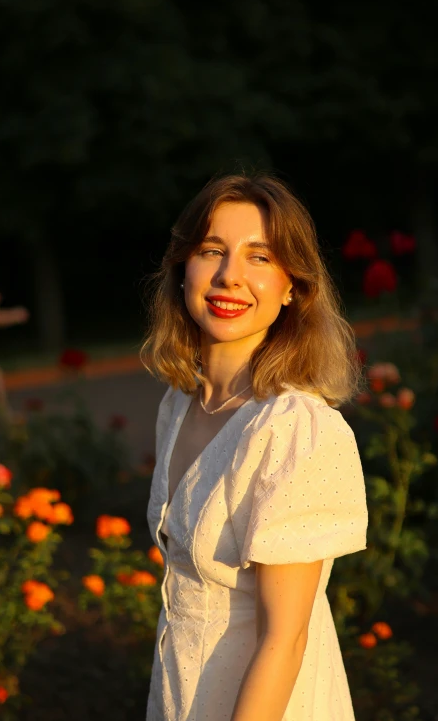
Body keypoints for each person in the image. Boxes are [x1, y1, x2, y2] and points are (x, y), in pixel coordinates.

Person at [140, 172, 368, 721]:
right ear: (182, 268)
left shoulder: (295, 430)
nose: (228, 276)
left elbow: (283, 641)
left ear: (293, 286)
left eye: (259, 257)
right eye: (212, 250)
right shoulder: (178, 404)